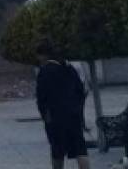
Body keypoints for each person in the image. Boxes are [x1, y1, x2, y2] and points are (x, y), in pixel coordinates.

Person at [35, 40, 90, 169]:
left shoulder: (45, 71)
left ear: (43, 55)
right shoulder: (68, 67)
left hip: (55, 117)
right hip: (74, 115)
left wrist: (44, 115)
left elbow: (41, 97)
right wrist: (78, 108)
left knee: (57, 151)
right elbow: (80, 90)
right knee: (80, 148)